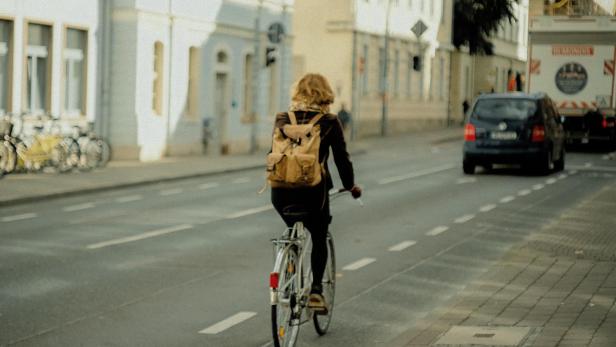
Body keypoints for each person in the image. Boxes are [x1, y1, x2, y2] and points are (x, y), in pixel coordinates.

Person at [270, 73, 362, 312]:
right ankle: (317, 292)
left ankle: (288, 267)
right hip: (313, 194)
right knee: (319, 235)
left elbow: (275, 153)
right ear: (325, 95)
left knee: (292, 227)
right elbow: (342, 159)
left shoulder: (282, 118)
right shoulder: (329, 121)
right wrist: (351, 185)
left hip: (280, 192)